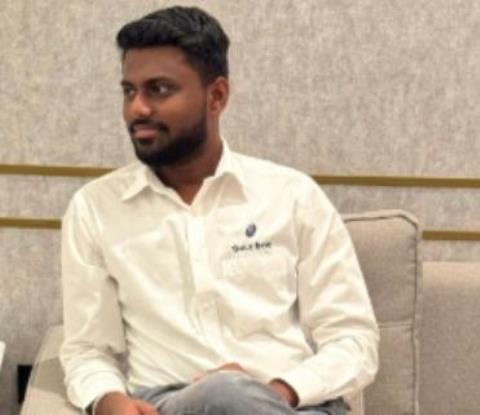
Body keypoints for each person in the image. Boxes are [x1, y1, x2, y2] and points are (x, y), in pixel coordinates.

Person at [60, 6, 379, 415]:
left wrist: (277, 391)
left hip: (296, 403)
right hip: (172, 404)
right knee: (224, 393)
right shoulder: (96, 209)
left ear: (217, 96)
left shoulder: (291, 196)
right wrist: (109, 400)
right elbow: (88, 349)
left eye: (158, 89)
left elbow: (353, 339)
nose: (137, 108)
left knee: (233, 394)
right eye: (129, 91)